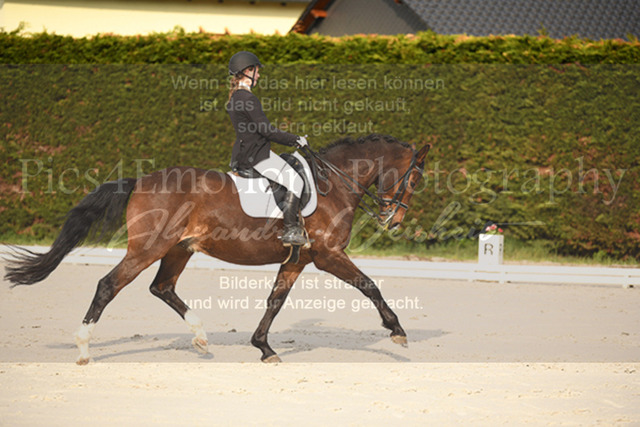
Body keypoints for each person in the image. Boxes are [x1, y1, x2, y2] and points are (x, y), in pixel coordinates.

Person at [226, 51, 308, 247]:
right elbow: (267, 131)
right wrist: (296, 139)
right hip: (257, 156)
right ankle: (291, 230)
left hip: (242, 154)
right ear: (247, 71)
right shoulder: (248, 98)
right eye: (256, 71)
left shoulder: (235, 97)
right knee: (296, 181)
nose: (259, 75)